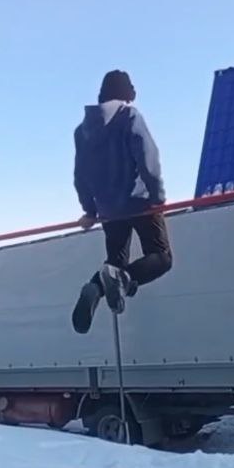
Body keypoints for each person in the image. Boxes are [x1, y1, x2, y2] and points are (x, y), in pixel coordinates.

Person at [72, 70, 173, 334]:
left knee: (115, 261)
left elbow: (80, 174)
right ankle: (125, 278)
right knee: (162, 257)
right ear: (125, 92)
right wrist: (158, 197)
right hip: (139, 202)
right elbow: (148, 158)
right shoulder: (129, 116)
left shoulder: (82, 131)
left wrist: (90, 210)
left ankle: (95, 288)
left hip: (108, 210)